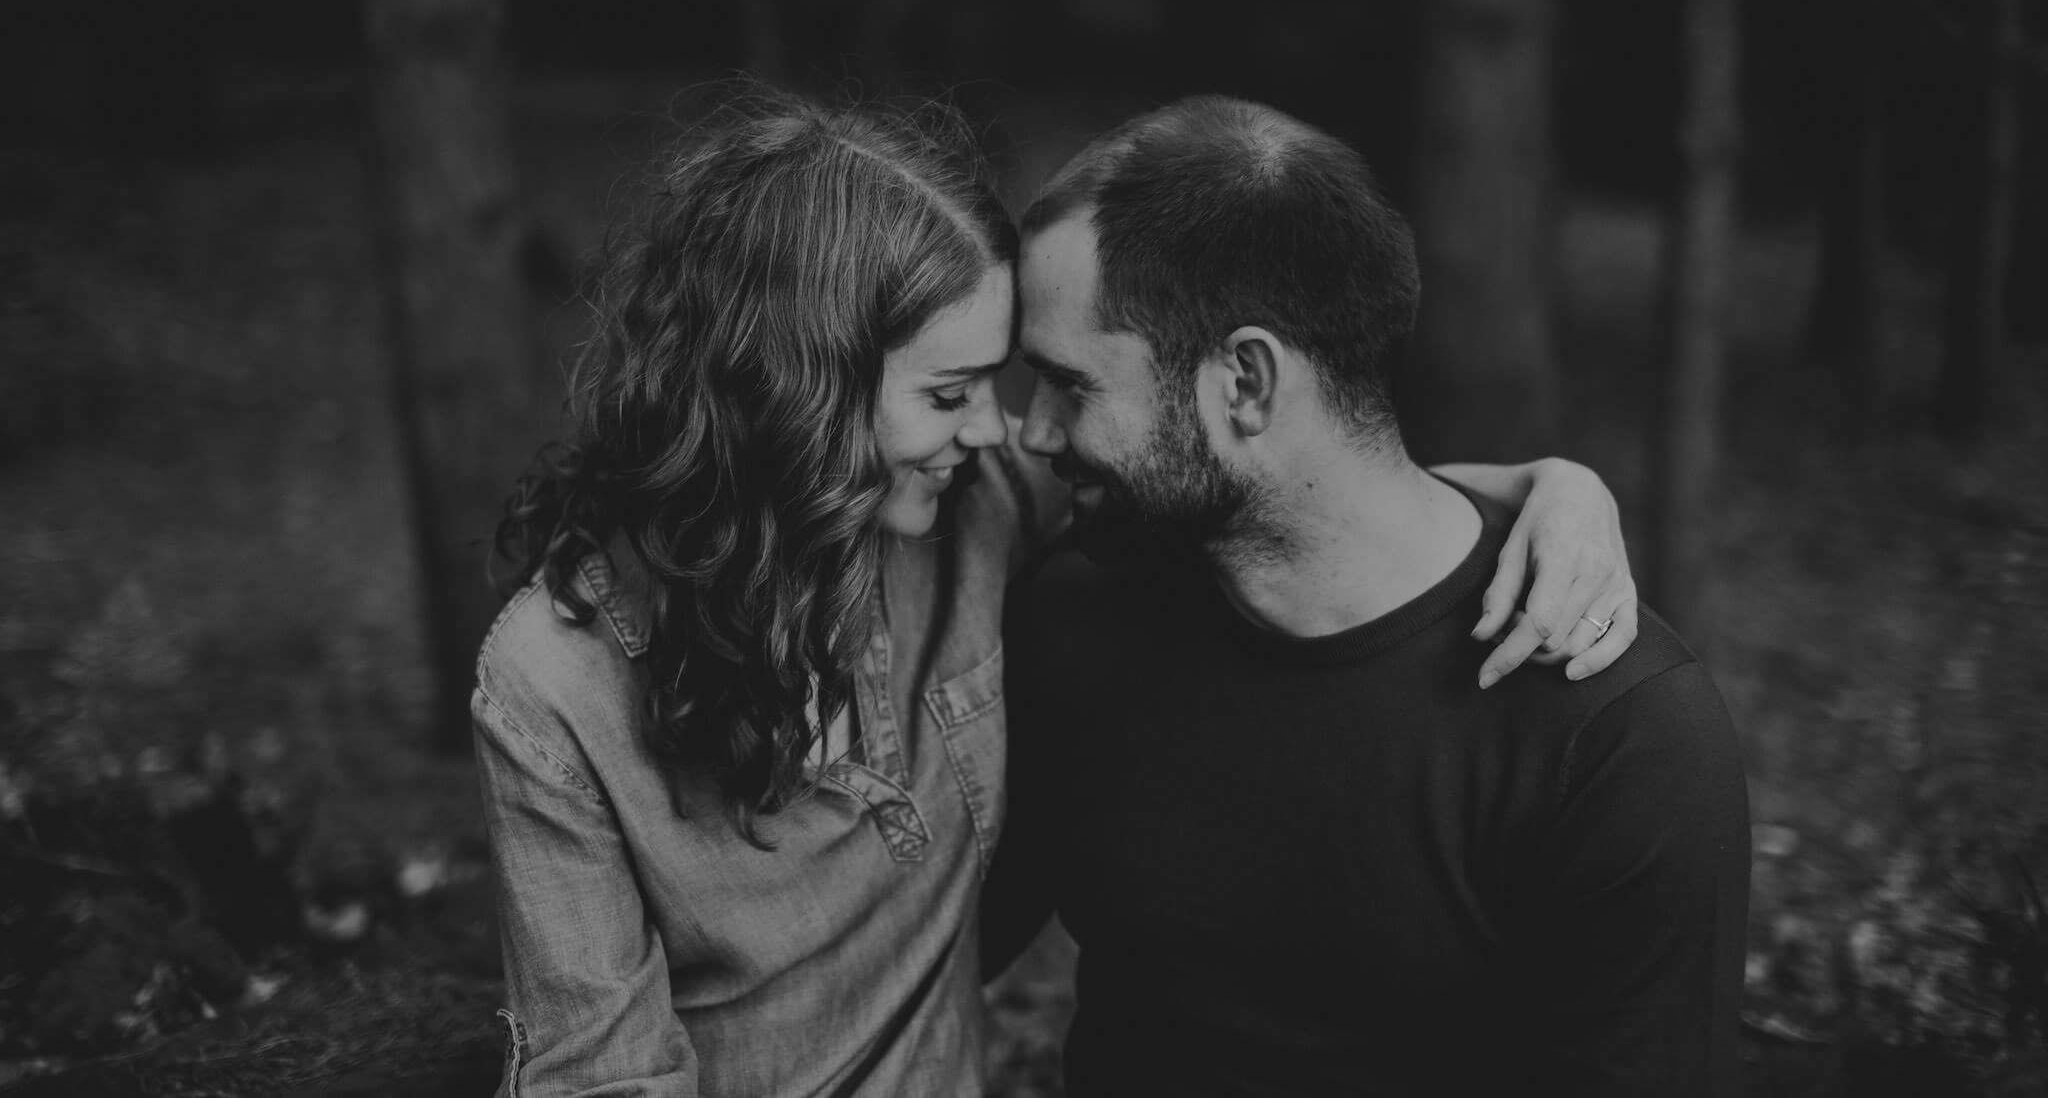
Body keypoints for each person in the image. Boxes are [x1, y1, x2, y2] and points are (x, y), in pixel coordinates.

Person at [472, 89, 1645, 1098]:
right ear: (796, 402)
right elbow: (600, 1076)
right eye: (950, 393)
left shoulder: (960, 505)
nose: (996, 430)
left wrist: (1549, 487)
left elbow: (1272, 477)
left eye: (1004, 384)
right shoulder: (553, 683)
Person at [988, 95, 1751, 1097]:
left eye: (1067, 385)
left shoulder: (1611, 738)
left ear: (1245, 384)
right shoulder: (1076, 615)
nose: (1032, 431)